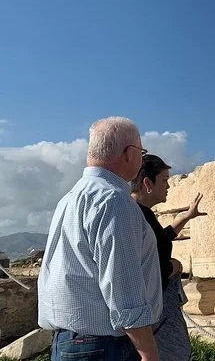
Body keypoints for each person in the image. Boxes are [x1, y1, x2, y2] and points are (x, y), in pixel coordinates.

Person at [38, 117, 162, 361]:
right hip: (104, 346)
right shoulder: (113, 200)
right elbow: (122, 284)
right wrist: (149, 352)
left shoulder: (69, 198)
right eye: (142, 152)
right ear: (129, 154)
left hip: (69, 341)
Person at [131, 154, 204, 360]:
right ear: (147, 183)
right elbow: (141, 267)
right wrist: (173, 267)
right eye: (164, 180)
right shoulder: (136, 214)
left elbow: (160, 239)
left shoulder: (143, 212)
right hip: (150, 313)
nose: (168, 186)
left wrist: (186, 216)